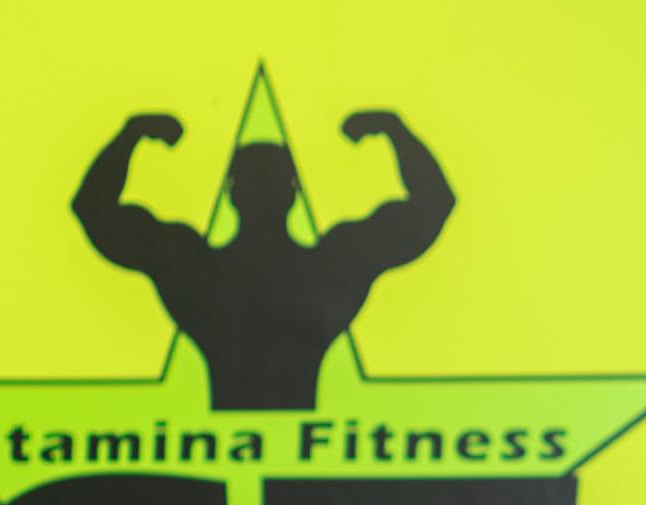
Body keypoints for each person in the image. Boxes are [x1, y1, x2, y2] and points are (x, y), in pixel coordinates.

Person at [72, 109, 454, 409]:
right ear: (294, 193)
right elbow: (432, 206)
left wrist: (131, 135)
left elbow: (94, 210)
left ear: (230, 193)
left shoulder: (192, 268)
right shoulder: (332, 267)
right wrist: (394, 130)